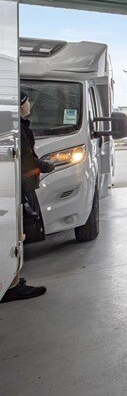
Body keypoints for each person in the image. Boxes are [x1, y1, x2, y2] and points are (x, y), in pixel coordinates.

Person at [1, 92, 50, 303]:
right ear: (20, 106)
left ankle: (11, 279)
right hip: (19, 186)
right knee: (17, 234)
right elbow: (25, 160)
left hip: (13, 185)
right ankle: (11, 285)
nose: (29, 104)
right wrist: (44, 165)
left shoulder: (9, 126)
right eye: (26, 101)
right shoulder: (16, 129)